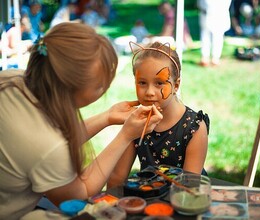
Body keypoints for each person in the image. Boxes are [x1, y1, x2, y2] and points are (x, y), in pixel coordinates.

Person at [0, 22, 163, 220]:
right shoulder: (46, 147)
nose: (105, 88)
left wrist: (107, 117)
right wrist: (126, 135)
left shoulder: (13, 80)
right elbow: (79, 194)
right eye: (100, 85)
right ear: (70, 88)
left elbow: (53, 140)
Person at [107, 41, 209, 189]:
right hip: (150, 198)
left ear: (176, 85)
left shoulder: (194, 127)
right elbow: (117, 178)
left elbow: (189, 187)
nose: (149, 92)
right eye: (142, 82)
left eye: (159, 83)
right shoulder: (137, 123)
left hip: (184, 201)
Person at [197, 0, 232, 66]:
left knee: (216, 35)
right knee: (207, 35)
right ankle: (207, 58)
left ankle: (213, 58)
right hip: (208, 12)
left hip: (219, 12)